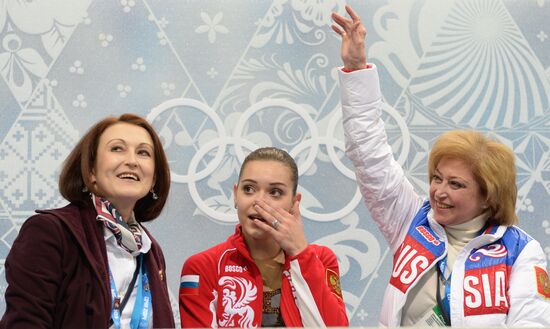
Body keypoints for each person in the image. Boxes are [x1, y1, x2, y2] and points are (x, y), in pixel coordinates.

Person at [332, 5, 550, 327]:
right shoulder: (411, 219)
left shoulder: (520, 251)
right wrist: (356, 69)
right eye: (437, 178)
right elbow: (368, 152)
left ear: (489, 195)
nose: (439, 192)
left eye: (456, 184)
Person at [0, 114, 175, 329]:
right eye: (117, 148)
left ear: (154, 179)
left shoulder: (150, 250)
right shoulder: (50, 232)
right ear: (91, 170)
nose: (132, 161)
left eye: (143, 152)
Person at [179, 147, 349, 328]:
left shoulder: (321, 260)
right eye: (249, 189)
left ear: (294, 203)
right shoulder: (203, 267)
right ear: (235, 195)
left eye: (275, 192)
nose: (259, 202)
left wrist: (300, 253)